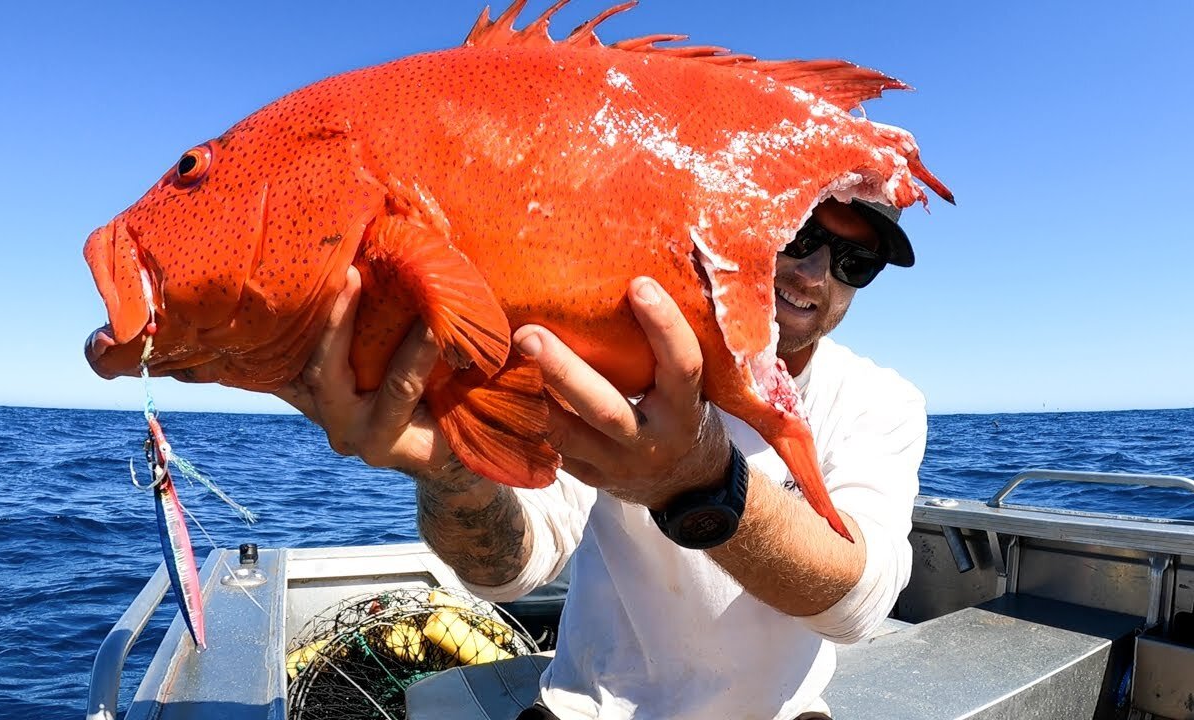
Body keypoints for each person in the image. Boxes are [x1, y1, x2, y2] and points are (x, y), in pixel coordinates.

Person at [275, 197, 926, 720]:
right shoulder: (621, 357)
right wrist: (453, 471)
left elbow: (858, 606)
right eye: (800, 232)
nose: (815, 273)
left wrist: (696, 482)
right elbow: (509, 570)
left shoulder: (881, 400)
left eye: (854, 262)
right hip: (587, 707)